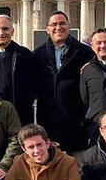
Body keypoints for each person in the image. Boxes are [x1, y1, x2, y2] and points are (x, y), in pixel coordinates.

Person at [33, 11, 93, 155]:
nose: (58, 27)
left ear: (69, 26)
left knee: (77, 170)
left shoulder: (85, 52)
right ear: (47, 29)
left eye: (62, 23)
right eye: (54, 24)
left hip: (76, 120)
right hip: (48, 121)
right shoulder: (38, 54)